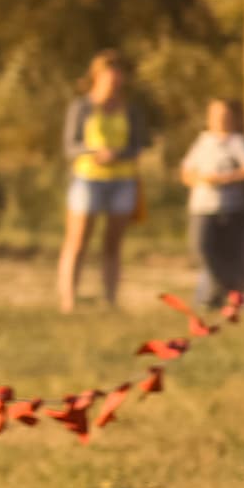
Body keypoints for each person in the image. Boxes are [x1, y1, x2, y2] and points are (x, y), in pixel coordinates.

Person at [56, 51, 153, 313]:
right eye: (110, 77)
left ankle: (110, 299)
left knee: (113, 243)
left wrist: (118, 154)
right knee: (78, 240)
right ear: (97, 77)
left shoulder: (130, 110)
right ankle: (69, 300)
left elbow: (138, 145)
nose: (114, 83)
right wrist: (94, 153)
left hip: (122, 180)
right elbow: (70, 146)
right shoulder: (81, 107)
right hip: (88, 178)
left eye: (118, 78)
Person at [180, 97, 244, 307]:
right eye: (216, 115)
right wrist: (202, 180)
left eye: (224, 115)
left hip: (230, 207)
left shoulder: (237, 142)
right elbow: (187, 171)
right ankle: (230, 287)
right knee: (201, 248)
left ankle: (214, 299)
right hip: (202, 206)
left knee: (229, 254)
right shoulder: (203, 141)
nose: (220, 119)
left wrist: (226, 178)